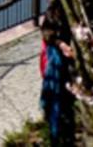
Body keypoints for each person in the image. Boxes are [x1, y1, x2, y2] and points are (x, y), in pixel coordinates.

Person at [40, 12, 76, 146]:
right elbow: (47, 31)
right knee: (59, 103)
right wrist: (61, 44)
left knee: (67, 104)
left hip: (70, 66)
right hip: (60, 63)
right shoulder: (57, 6)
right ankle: (58, 137)